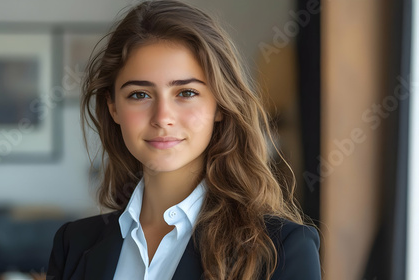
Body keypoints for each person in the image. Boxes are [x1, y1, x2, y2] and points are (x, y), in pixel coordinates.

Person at [47, 0, 321, 279]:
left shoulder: (283, 249)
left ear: (219, 104)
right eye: (139, 95)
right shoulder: (73, 245)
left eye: (186, 93)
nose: (163, 117)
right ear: (113, 107)